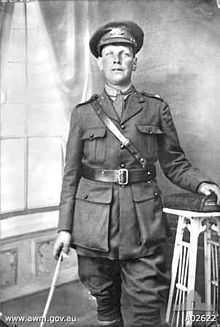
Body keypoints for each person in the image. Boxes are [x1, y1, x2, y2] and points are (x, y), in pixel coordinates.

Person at [53, 21, 220, 327]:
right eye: (110, 54)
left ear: (135, 61)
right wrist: (64, 227)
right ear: (100, 62)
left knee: (145, 308)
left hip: (142, 223)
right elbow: (70, 176)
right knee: (105, 303)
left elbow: (174, 163)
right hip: (92, 225)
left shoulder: (155, 109)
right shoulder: (83, 114)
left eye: (124, 53)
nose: (117, 59)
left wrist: (202, 183)